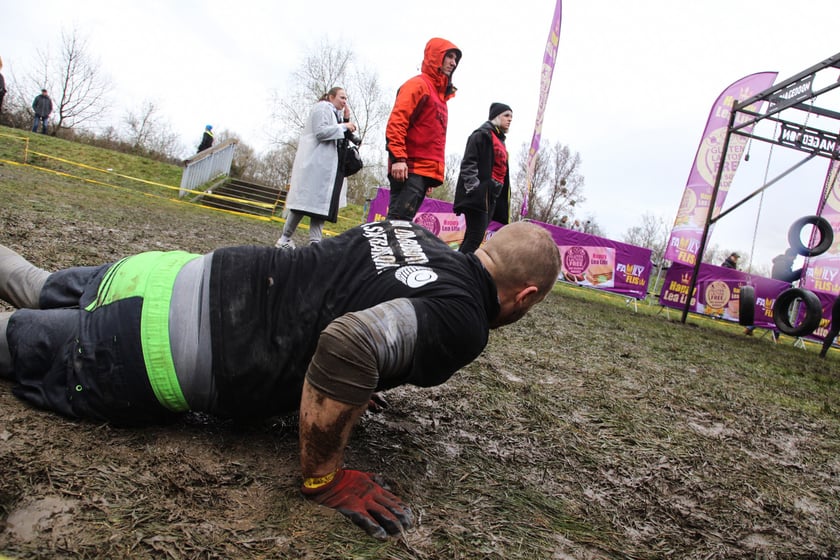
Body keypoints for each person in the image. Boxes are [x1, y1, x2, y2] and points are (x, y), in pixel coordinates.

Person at [0, 219, 561, 540]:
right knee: (9, 340)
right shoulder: (464, 318)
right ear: (526, 296)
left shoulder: (411, 232)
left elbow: (340, 287)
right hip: (163, 346)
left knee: (32, 283)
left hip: (178, 271)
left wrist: (366, 386)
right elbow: (349, 341)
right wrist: (323, 477)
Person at [385, 37, 461, 221]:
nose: (453, 62)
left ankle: (376, 250)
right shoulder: (418, 85)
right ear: (436, 56)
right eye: (449, 56)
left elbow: (431, 137)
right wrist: (398, 158)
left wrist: (430, 176)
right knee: (397, 225)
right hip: (409, 168)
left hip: (421, 171)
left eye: (455, 59)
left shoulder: (441, 97)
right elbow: (397, 121)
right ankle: (364, 250)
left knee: (400, 224)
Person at [275, 87, 358, 249]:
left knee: (319, 206)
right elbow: (321, 132)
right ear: (331, 96)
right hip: (317, 166)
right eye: (342, 97)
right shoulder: (322, 108)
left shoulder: (335, 114)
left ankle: (314, 243)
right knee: (303, 204)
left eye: (346, 98)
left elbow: (336, 133)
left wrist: (345, 121)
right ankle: (285, 238)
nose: (344, 101)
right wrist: (344, 126)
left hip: (326, 170)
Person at [453, 102, 512, 253]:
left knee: (474, 236)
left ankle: (459, 267)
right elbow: (468, 163)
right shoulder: (482, 134)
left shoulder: (501, 141)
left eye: (511, 117)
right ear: (496, 117)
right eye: (506, 115)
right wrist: (475, 188)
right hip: (480, 193)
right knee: (475, 237)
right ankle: (460, 270)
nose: (510, 119)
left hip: (493, 195)